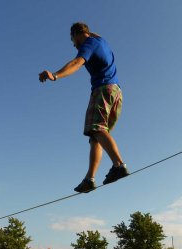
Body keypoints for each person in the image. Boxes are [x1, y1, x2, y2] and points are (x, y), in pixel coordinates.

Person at [39, 22, 129, 193]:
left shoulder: (89, 44)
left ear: (77, 34)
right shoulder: (101, 41)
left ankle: (119, 165)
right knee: (97, 136)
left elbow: (76, 63)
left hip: (103, 89)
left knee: (96, 128)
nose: (73, 44)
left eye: (72, 39)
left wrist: (55, 75)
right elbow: (93, 35)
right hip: (116, 93)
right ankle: (90, 178)